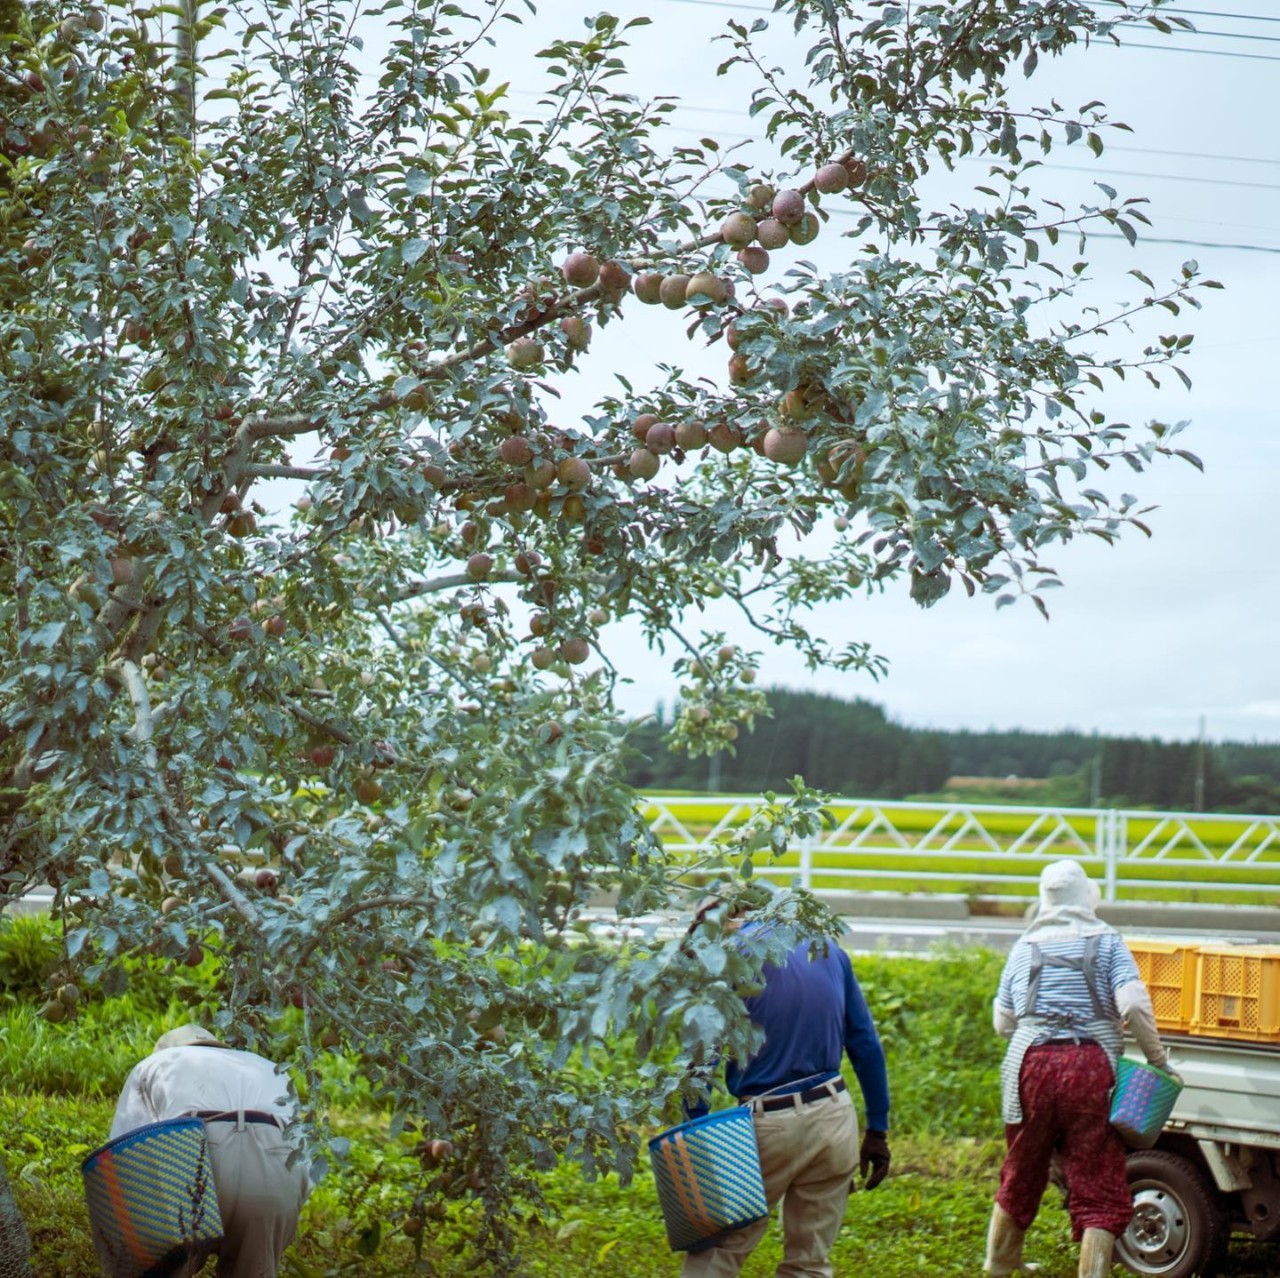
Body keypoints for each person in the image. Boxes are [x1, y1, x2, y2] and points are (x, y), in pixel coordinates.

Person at [984, 860, 1176, 1278]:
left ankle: (999, 1263)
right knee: (1096, 1171)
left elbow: (1002, 1022)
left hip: (1029, 1066)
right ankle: (1092, 1274)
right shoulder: (1107, 942)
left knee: (1023, 1163)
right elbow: (1134, 1006)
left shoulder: (1024, 946)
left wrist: (1042, 1023)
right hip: (1091, 1067)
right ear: (1085, 897)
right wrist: (1159, 1060)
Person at [681, 900, 891, 1278]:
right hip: (834, 1115)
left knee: (718, 1249)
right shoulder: (825, 947)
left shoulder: (727, 959)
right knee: (809, 1262)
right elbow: (866, 1045)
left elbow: (701, 1062)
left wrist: (697, 1141)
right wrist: (877, 1129)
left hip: (768, 1122)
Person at [109, 1024, 311, 1278]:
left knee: (160, 1271)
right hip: (275, 1168)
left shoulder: (155, 1064)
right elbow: (303, 1154)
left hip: (197, 1154)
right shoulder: (269, 1067)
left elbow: (124, 1155)